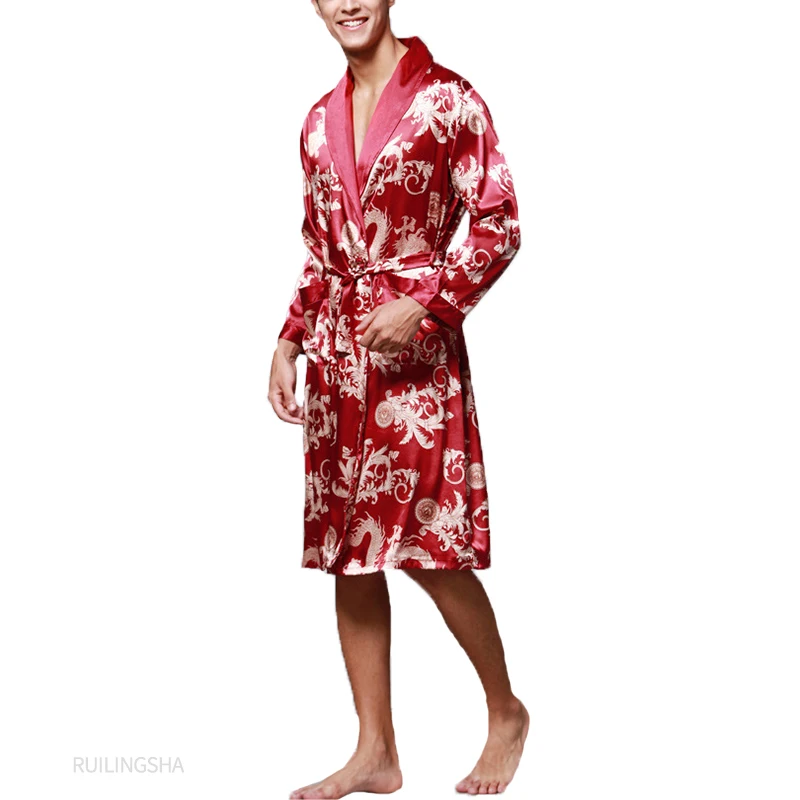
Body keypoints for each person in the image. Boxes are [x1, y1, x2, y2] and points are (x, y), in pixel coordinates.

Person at [269, 1, 528, 796]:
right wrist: (289, 337)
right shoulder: (316, 124)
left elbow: (498, 222)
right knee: (351, 555)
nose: (346, 3)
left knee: (430, 550)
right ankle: (375, 750)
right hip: (338, 363)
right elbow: (320, 252)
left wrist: (428, 302)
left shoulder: (448, 100)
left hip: (415, 364)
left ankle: (505, 711)